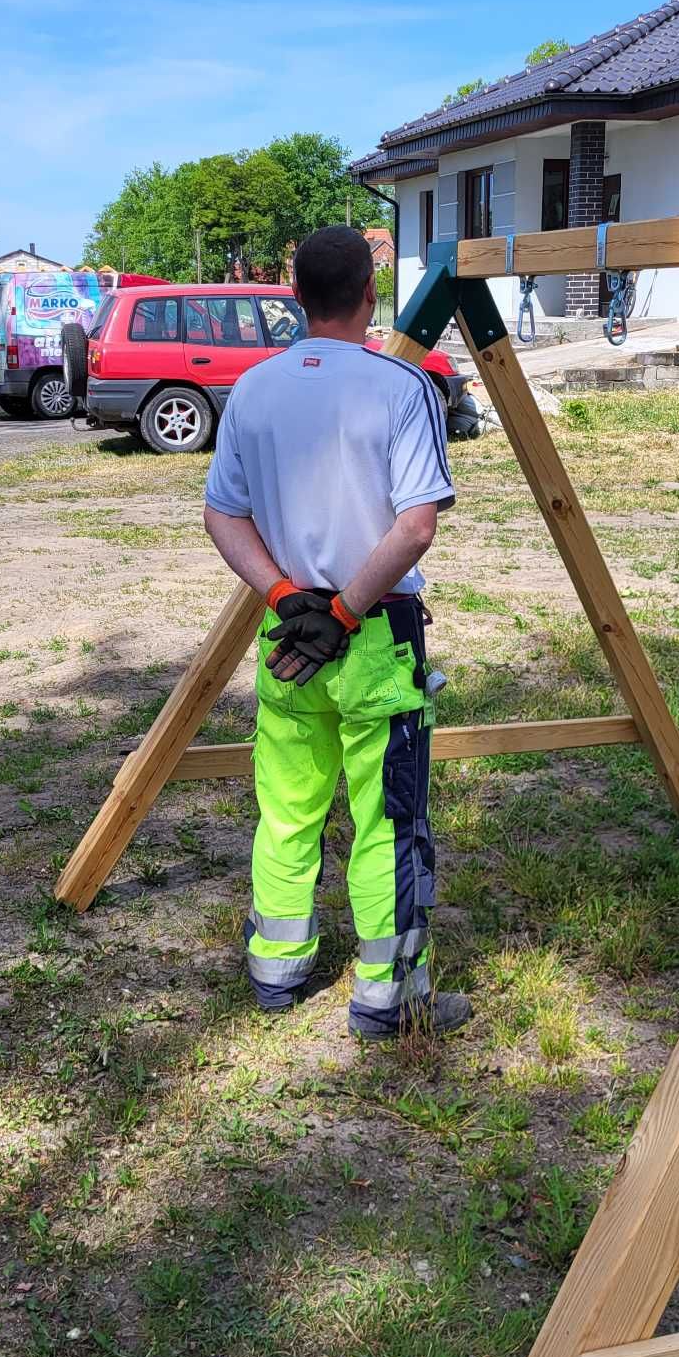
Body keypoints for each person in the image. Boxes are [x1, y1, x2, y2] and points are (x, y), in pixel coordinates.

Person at [201, 225, 471, 1041]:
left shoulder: (254, 389)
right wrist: (346, 612)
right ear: (368, 296)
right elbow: (416, 529)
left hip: (287, 643)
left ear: (294, 296)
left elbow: (222, 515)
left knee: (285, 808)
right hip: (375, 638)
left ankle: (276, 975)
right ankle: (386, 1000)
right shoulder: (402, 387)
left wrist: (289, 601)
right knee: (388, 820)